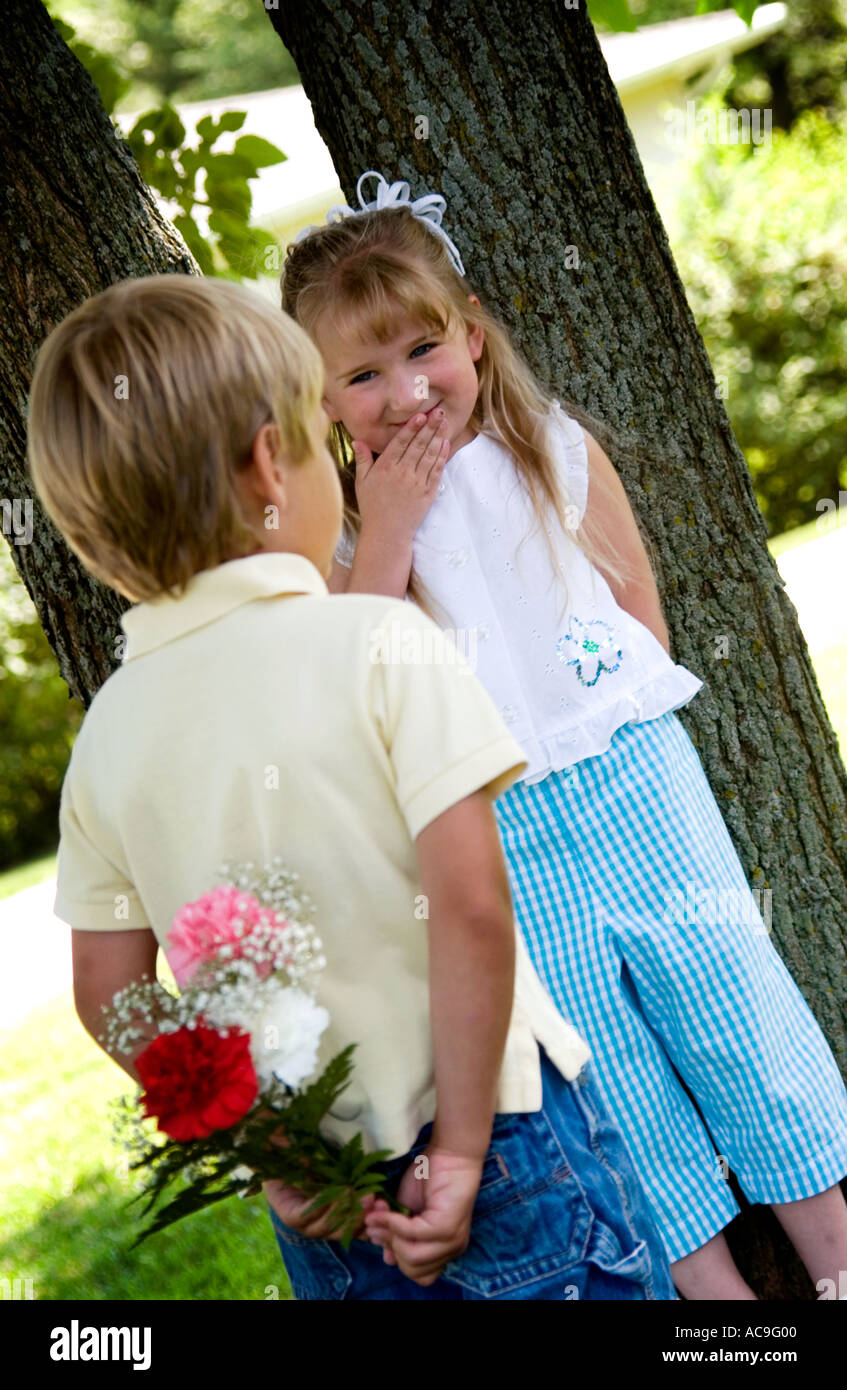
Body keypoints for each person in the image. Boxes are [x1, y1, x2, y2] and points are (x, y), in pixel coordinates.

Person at [27, 273, 676, 1302]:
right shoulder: (381, 643)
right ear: (267, 463)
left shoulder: (109, 735)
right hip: (502, 1146)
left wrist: (277, 1159)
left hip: (327, 1212)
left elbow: (111, 991)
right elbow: (467, 906)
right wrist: (459, 1155)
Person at [281, 170, 847, 1301]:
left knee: (730, 1001)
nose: (403, 391)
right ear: (324, 403)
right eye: (362, 374)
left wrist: (594, 706)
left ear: (473, 336)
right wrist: (386, 531)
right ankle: (720, 1308)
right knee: (609, 1069)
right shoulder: (344, 540)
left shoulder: (550, 446)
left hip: (636, 779)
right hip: (497, 828)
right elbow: (366, 683)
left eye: (421, 351)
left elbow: (636, 612)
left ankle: (832, 1258)